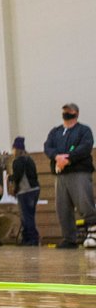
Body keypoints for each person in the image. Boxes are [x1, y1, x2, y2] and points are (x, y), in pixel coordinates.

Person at [43, 103, 96, 249]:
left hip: (79, 172)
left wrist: (68, 158)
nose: (67, 112)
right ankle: (69, 238)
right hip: (60, 175)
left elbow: (85, 147)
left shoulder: (84, 130)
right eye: (65, 110)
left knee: (84, 203)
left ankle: (93, 233)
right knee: (63, 207)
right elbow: (48, 147)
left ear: (76, 113)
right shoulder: (55, 132)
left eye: (70, 110)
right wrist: (57, 157)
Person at [9, 136, 40, 246]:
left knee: (26, 216)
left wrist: (10, 180)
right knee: (30, 215)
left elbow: (17, 177)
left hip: (25, 191)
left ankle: (31, 239)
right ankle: (30, 238)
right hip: (35, 189)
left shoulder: (17, 161)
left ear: (16, 149)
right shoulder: (29, 159)